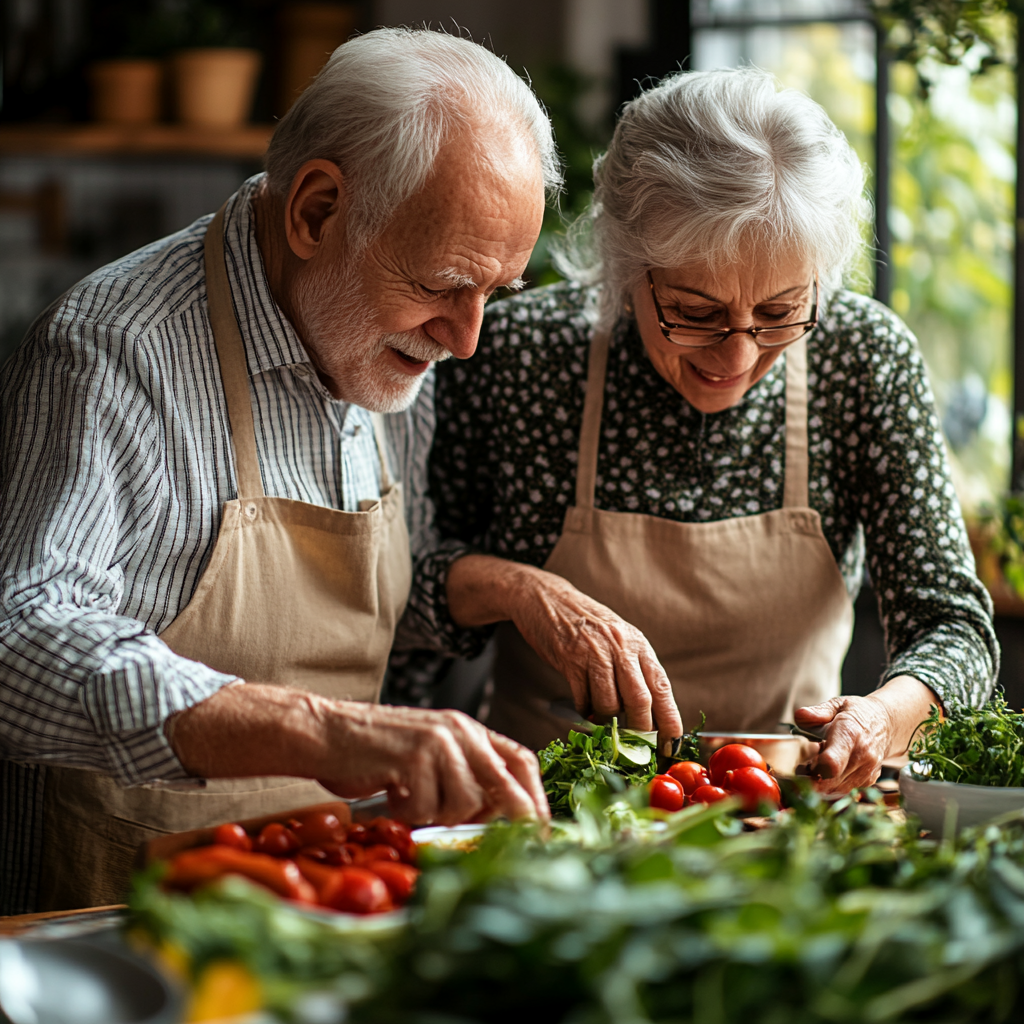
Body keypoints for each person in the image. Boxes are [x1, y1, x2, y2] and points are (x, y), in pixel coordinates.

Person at [0, 28, 559, 914]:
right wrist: (320, 730)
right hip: (123, 913)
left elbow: (359, 607)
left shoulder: (396, 346)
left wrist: (518, 590)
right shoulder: (114, 354)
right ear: (317, 212)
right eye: (442, 284)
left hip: (327, 897)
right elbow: (20, 639)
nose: (465, 339)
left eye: (494, 293)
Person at [411, 67, 999, 791]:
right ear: (626, 267)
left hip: (788, 807)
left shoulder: (862, 359)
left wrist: (880, 718)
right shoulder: (521, 356)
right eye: (695, 312)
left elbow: (953, 625)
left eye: (781, 311)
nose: (738, 356)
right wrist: (520, 589)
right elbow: (409, 588)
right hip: (544, 809)